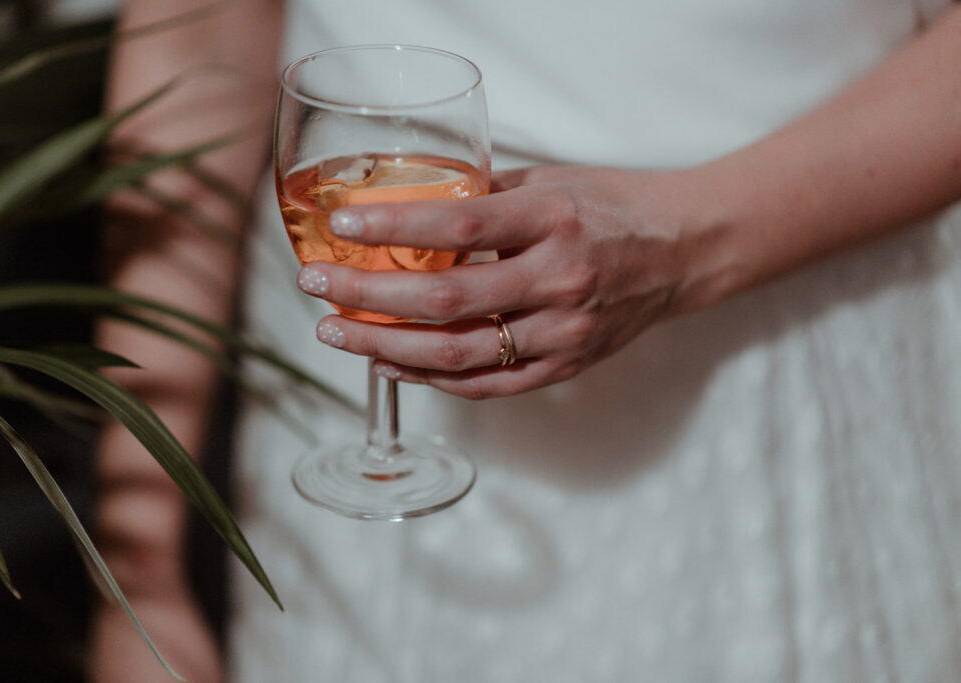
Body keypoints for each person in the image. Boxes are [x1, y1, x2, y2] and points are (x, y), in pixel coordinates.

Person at [91, 0, 961, 681]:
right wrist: (138, 566)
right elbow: (197, 46)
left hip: (786, 361)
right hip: (338, 413)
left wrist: (687, 244)